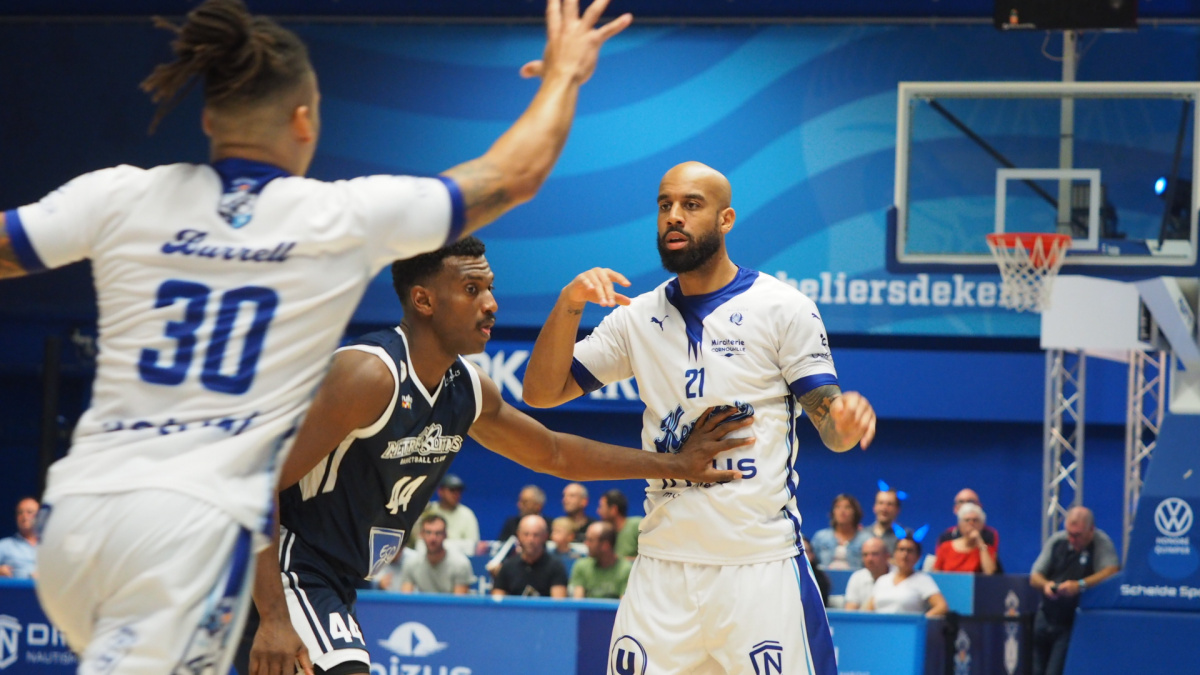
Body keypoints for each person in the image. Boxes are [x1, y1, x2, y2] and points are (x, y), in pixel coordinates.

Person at [3, 0, 638, 671]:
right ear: (305, 120)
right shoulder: (334, 217)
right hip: (186, 526)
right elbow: (513, 175)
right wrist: (563, 77)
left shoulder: (118, 193)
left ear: (209, 119)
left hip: (76, 522)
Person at [236, 237, 751, 675]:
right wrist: (274, 616)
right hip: (282, 568)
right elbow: (256, 483)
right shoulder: (369, 375)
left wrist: (673, 465)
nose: (490, 303)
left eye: (490, 288)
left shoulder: (467, 388)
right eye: (471, 290)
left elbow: (554, 453)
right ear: (423, 300)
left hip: (335, 578)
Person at [522, 161, 877, 674]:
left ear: (725, 219)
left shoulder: (784, 307)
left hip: (759, 569)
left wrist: (845, 420)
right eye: (665, 205)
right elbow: (541, 392)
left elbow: (831, 427)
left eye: (691, 205)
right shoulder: (636, 317)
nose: (674, 216)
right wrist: (569, 303)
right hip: (662, 570)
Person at [1029, 506, 1120, 675]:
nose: (1072, 539)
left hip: (1072, 621)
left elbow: (1111, 571)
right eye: (1069, 533)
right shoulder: (1057, 541)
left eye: (1077, 535)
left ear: (1091, 530)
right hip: (1045, 616)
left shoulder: (1100, 543)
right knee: (1037, 670)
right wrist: (1046, 585)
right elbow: (1035, 576)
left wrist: (1080, 585)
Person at [386, 514, 474, 595]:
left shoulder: (460, 564)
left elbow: (459, 604)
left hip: (450, 607)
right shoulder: (411, 564)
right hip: (422, 607)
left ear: (445, 535)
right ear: (421, 534)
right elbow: (405, 600)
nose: (433, 538)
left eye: (438, 533)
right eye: (428, 532)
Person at [864, 536, 948, 617]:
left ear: (918, 557)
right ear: (894, 554)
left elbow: (941, 606)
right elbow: (868, 610)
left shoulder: (923, 580)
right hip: (879, 625)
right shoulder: (882, 580)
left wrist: (920, 621)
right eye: (901, 550)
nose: (905, 554)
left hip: (908, 626)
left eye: (910, 551)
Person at [493, 514, 569, 598]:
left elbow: (558, 603)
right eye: (526, 534)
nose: (530, 540)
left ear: (545, 536)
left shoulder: (556, 567)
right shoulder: (508, 566)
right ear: (518, 535)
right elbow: (497, 601)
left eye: (536, 535)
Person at [570, 521, 633, 599]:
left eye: (590, 540)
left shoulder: (626, 570)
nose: (586, 543)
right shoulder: (581, 566)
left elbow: (624, 603)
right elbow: (578, 602)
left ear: (605, 545)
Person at [809, 493, 871, 570]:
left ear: (855, 512)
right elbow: (810, 563)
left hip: (856, 577)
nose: (842, 511)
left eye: (847, 507)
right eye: (838, 507)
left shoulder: (866, 540)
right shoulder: (821, 537)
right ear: (833, 512)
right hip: (823, 577)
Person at [933, 503, 998, 574]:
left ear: (982, 524)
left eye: (975, 520)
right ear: (959, 524)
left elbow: (989, 572)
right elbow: (935, 574)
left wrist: (980, 543)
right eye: (967, 520)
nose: (971, 523)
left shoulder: (986, 549)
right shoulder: (945, 547)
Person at [423, 474, 480, 554]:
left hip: (458, 558)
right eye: (452, 490)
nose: (456, 494)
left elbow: (473, 546)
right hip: (428, 556)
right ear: (440, 491)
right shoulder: (429, 510)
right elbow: (418, 540)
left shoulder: (467, 514)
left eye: (459, 490)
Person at [936, 488, 1000, 550]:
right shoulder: (947, 537)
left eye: (970, 501)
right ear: (955, 509)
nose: (966, 505)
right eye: (961, 502)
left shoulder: (990, 534)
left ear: (979, 506)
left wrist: (980, 543)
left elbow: (991, 555)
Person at [843, 537, 893, 610]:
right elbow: (850, 611)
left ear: (887, 556)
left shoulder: (898, 577)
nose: (869, 559)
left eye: (875, 554)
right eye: (865, 555)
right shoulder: (857, 577)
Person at [0, 497, 39, 579]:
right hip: (17, 587)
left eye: (29, 512)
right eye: (20, 513)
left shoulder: (49, 546)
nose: (24, 516)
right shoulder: (4, 545)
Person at [597, 488, 641, 559]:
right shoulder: (605, 533)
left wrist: (618, 561)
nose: (598, 511)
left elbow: (649, 557)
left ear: (613, 509)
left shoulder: (637, 525)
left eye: (601, 507)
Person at [867, 488, 906, 553]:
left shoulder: (905, 537)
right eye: (881, 503)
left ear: (897, 509)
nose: (884, 508)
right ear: (874, 507)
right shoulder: (862, 535)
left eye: (889, 504)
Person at [801, 535, 832, 607]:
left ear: (812, 555)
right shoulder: (783, 576)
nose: (801, 556)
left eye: (805, 552)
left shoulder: (821, 579)